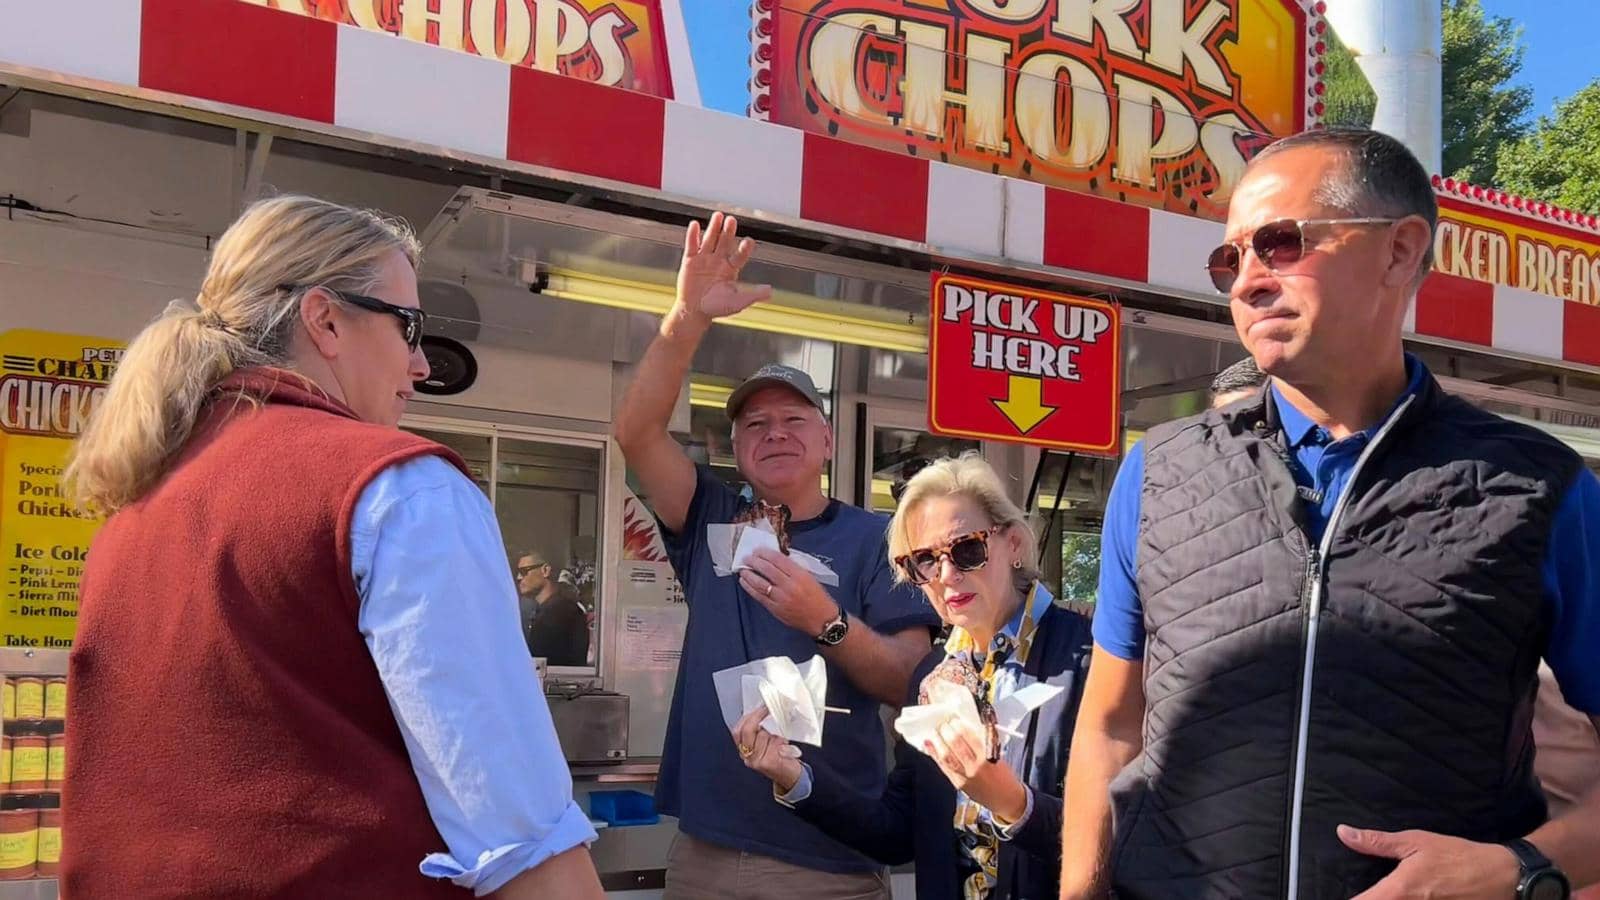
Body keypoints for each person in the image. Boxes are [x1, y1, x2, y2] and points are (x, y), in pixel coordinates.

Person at [1060, 129, 1600, 900]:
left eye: (1280, 243)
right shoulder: (1158, 471)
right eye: (1230, 258)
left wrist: (1516, 868)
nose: (1247, 280)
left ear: (1400, 251)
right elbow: (1111, 727)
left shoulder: (1538, 486)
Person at [62, 195, 602, 899]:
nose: (418, 364)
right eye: (408, 326)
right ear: (325, 320)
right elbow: (517, 830)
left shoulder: (134, 507)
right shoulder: (402, 490)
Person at [614, 211, 942, 899]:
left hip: (828, 859)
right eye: (756, 424)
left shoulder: (881, 540)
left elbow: (908, 682)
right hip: (704, 852)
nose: (775, 433)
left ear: (827, 442)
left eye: (795, 420)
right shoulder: (709, 513)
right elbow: (637, 431)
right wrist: (685, 319)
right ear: (736, 449)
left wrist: (824, 619)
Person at [732, 453, 1092, 899]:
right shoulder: (934, 674)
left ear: (1014, 543)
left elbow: (1131, 833)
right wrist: (795, 777)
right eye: (922, 560)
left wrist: (1012, 802)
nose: (945, 575)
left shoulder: (1092, 658)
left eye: (967, 549)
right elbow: (899, 831)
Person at [517, 550, 591, 666]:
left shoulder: (559, 613)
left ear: (545, 570)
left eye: (524, 571)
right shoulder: (553, 610)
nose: (519, 577)